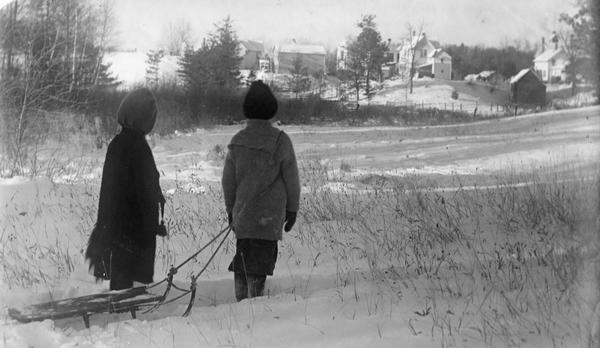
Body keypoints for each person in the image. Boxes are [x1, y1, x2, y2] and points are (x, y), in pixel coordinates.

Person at [222, 80, 301, 301]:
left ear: (247, 110)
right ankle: (254, 301)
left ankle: (241, 297)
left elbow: (228, 182)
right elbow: (292, 180)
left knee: (244, 255)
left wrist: (231, 210)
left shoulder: (238, 141)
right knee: (262, 259)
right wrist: (292, 209)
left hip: (243, 215)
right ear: (272, 110)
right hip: (270, 215)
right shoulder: (281, 140)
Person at [85, 88, 165, 291]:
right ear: (143, 119)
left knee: (123, 275)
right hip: (133, 228)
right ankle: (127, 316)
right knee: (129, 278)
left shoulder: (120, 143)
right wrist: (150, 221)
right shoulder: (136, 146)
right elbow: (144, 188)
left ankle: (126, 312)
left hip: (120, 226)